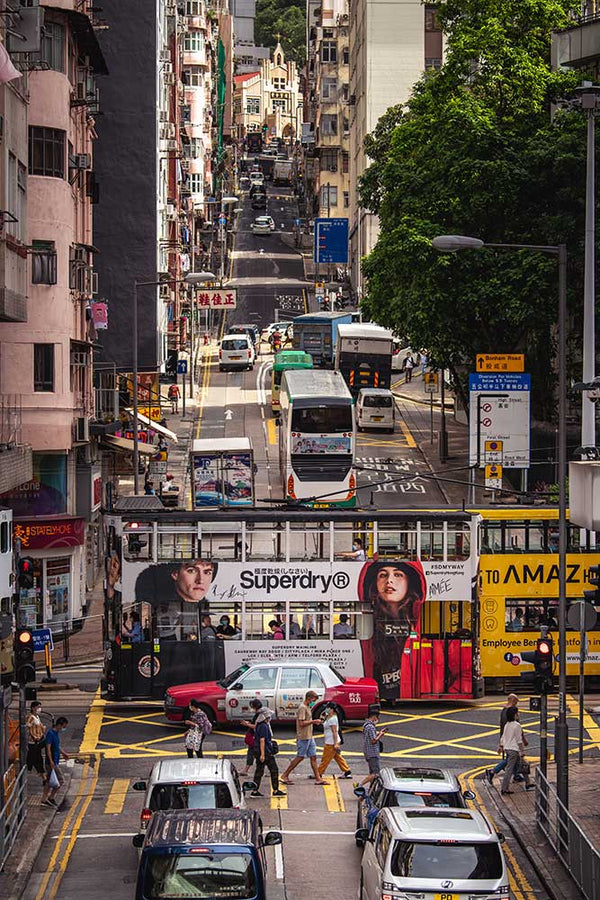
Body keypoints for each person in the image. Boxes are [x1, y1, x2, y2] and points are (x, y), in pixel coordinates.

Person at [359, 559, 426, 701]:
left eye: (398, 575)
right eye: (383, 575)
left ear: (410, 582)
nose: (389, 581)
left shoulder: (418, 624)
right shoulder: (369, 624)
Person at [280, 691, 329, 785]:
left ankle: (318, 778)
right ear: (309, 698)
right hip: (303, 736)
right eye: (314, 700)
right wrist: (313, 721)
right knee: (300, 757)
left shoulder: (307, 707)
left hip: (309, 736)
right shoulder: (302, 708)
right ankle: (285, 774)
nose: (314, 702)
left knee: (313, 757)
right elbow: (301, 723)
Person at [485, 694, 526, 784]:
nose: (516, 704)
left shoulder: (504, 710)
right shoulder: (511, 711)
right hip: (512, 740)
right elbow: (513, 727)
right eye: (516, 702)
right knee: (511, 759)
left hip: (508, 740)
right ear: (513, 700)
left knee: (513, 759)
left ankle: (516, 775)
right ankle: (493, 771)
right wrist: (523, 739)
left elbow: (503, 727)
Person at [250, 707, 286, 798]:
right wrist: (263, 754)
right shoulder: (264, 726)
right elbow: (263, 740)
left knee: (259, 771)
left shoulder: (259, 725)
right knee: (274, 770)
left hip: (259, 751)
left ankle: (255, 790)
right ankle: (275, 790)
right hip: (266, 752)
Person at [499, 707, 533, 795]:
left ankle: (528, 783)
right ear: (514, 715)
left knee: (524, 765)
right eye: (517, 713)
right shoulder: (517, 725)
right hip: (513, 750)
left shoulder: (507, 724)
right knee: (509, 770)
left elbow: (503, 737)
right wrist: (523, 751)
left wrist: (501, 746)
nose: (518, 715)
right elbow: (519, 740)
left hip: (508, 749)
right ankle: (504, 789)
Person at [317, 703, 352, 779]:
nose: (326, 709)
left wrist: (336, 744)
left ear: (332, 709)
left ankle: (318, 773)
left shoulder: (333, 719)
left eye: (328, 708)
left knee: (325, 759)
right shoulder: (328, 717)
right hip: (330, 741)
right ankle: (347, 771)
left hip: (331, 742)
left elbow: (335, 732)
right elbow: (323, 723)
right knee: (337, 757)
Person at [41, 716, 69, 808]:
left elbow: (57, 746)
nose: (63, 729)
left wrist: (64, 753)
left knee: (49, 781)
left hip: (55, 760)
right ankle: (51, 797)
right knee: (60, 780)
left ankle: (45, 799)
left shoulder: (56, 733)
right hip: (51, 762)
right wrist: (51, 761)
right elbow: (48, 748)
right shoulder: (50, 734)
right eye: (63, 726)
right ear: (59, 725)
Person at [361, 706, 387, 786]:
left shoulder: (366, 725)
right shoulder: (371, 727)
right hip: (373, 753)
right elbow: (373, 741)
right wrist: (381, 735)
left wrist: (378, 734)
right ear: (374, 717)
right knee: (375, 773)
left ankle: (371, 789)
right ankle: (359, 784)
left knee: (372, 772)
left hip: (368, 752)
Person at [240, 697, 264, 776]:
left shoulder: (259, 715)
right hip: (256, 737)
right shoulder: (260, 713)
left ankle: (246, 770)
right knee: (258, 753)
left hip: (255, 737)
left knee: (252, 752)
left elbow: (255, 726)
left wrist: (246, 724)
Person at [26, 701, 46, 786]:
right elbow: (27, 728)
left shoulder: (37, 717)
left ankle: (41, 775)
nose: (39, 709)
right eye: (38, 707)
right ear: (33, 708)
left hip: (38, 741)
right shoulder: (30, 717)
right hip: (33, 742)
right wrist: (34, 737)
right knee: (37, 759)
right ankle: (43, 777)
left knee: (34, 759)